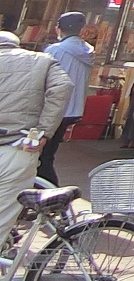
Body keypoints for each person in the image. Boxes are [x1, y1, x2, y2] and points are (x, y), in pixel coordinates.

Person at [0, 28, 72, 241]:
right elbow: (63, 86)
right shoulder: (41, 60)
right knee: (3, 215)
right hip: (19, 147)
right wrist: (43, 132)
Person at [38, 12, 93, 184]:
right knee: (47, 154)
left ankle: (51, 190)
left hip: (52, 109)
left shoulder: (54, 50)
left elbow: (41, 79)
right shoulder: (88, 51)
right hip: (73, 109)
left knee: (41, 155)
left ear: (58, 28)